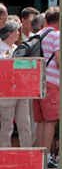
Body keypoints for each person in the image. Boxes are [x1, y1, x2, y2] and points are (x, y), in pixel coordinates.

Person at [33, 8, 60, 169]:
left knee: (41, 120)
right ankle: (48, 155)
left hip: (37, 81)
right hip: (52, 81)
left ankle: (40, 154)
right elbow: (59, 59)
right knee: (51, 120)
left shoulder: (38, 34)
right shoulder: (56, 35)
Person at [0, 19, 32, 148]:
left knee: (25, 124)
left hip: (21, 89)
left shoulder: (18, 48)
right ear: (10, 33)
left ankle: (27, 153)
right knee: (6, 125)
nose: (19, 33)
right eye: (16, 31)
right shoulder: (1, 48)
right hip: (6, 91)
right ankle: (4, 154)